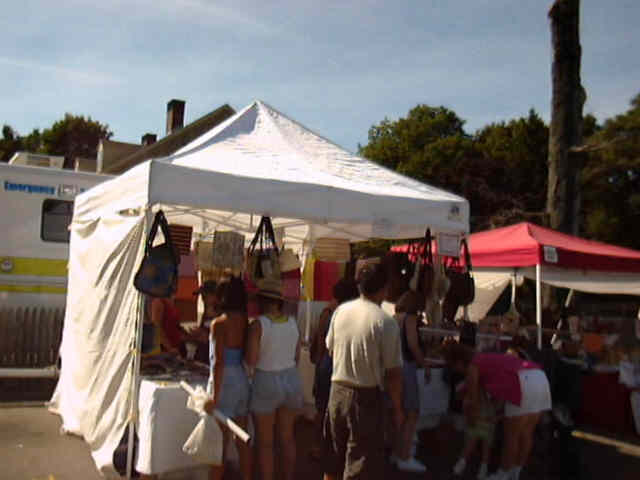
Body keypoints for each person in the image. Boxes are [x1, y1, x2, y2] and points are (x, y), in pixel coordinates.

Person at [322, 263, 404, 480]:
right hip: (366, 396)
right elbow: (393, 373)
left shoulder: (340, 311)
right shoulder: (385, 322)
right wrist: (397, 409)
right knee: (359, 465)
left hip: (336, 391)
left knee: (332, 461)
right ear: (385, 288)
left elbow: (330, 349)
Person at [443, 342, 552, 480]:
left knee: (511, 436)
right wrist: (495, 413)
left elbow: (473, 399)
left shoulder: (473, 365)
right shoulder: (487, 358)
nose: (455, 370)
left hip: (523, 381)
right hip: (539, 376)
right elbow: (499, 393)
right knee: (526, 434)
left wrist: (472, 417)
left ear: (458, 361)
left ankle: (503, 473)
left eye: (453, 366)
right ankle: (515, 472)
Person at [245, 279, 303, 480]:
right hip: (291, 379)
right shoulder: (293, 323)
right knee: (287, 438)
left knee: (266, 442)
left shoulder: (258, 325)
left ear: (261, 301)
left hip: (266, 380)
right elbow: (297, 357)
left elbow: (251, 360)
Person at [203, 277, 252, 480]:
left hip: (225, 382)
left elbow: (218, 362)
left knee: (219, 442)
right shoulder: (245, 321)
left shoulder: (219, 324)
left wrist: (214, 396)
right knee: (242, 438)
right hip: (241, 378)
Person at [309, 278, 360, 459]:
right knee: (328, 409)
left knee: (323, 408)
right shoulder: (343, 314)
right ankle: (322, 445)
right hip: (334, 365)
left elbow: (320, 341)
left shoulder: (329, 312)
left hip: (326, 364)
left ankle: (319, 445)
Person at [391, 290, 430, 473]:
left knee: (397, 412)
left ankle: (397, 451)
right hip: (407, 368)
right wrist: (425, 364)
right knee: (411, 413)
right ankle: (405, 456)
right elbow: (413, 345)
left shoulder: (394, 317)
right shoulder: (410, 318)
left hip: (393, 367)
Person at [452, 385, 497, 479]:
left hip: (489, 418)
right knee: (470, 442)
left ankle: (483, 467)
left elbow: (499, 405)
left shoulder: (497, 388)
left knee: (486, 446)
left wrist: (494, 414)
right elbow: (462, 396)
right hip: (476, 417)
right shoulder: (476, 385)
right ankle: (462, 462)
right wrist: (469, 412)